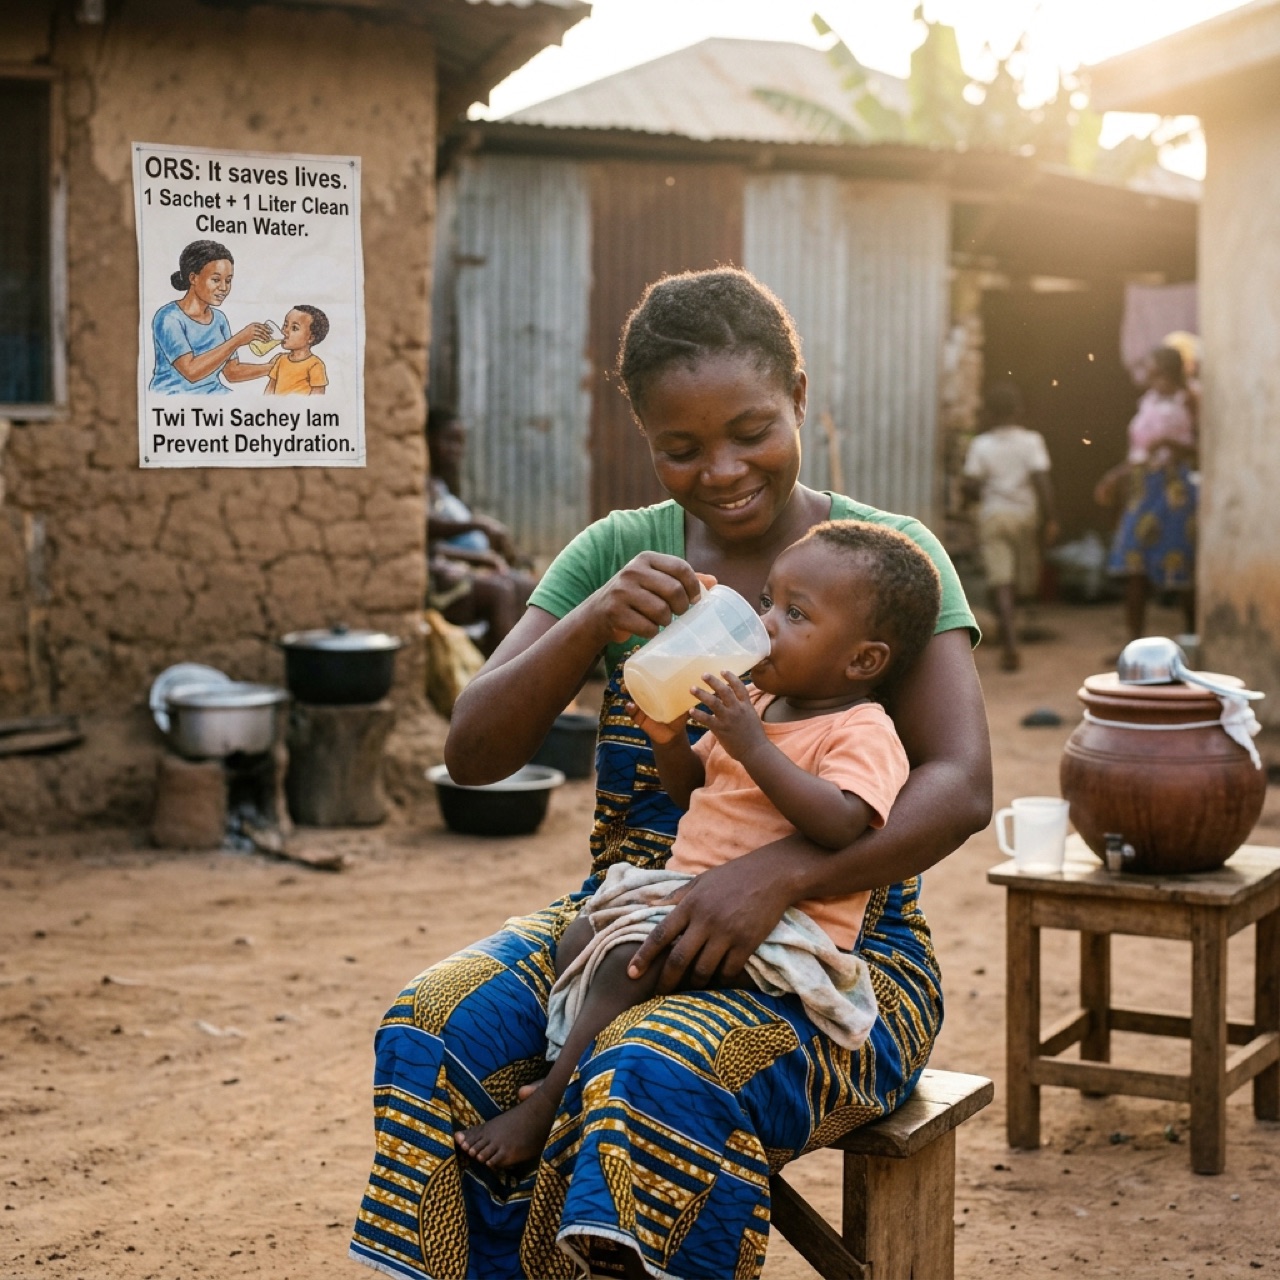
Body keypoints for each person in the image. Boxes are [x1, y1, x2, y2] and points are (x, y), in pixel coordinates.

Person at [351, 267, 992, 1280]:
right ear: (646, 441)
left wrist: (775, 875)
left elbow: (959, 785)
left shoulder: (882, 561)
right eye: (680, 449)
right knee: (434, 1020)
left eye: (751, 429)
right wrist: (595, 619)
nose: (723, 469)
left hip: (839, 952)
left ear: (799, 399)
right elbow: (471, 752)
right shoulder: (621, 550)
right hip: (625, 910)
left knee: (652, 1066)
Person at [454, 517, 942, 1170]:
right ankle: (583, 1065)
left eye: (794, 614)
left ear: (862, 659)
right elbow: (691, 795)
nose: (764, 622)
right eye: (768, 600)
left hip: (791, 933)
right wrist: (666, 739)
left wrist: (753, 746)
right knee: (582, 938)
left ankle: (548, 1106)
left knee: (630, 956)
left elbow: (841, 823)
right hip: (690, 896)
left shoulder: (863, 730)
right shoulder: (759, 702)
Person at [1094, 344, 1198, 642]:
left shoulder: (1188, 399)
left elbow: (1204, 447)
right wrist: (1115, 477)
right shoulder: (1147, 401)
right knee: (1134, 568)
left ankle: (1191, 642)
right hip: (1142, 488)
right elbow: (1139, 453)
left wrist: (1168, 443)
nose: (1146, 370)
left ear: (1165, 367)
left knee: (1181, 567)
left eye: (1151, 363)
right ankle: (1133, 646)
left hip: (1175, 489)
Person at [961, 381, 1059, 672]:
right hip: (1025, 517)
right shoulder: (1031, 441)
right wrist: (1052, 518)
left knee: (1000, 580)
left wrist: (972, 497)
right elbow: (1042, 480)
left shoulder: (981, 445)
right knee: (1018, 580)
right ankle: (1012, 638)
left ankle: (1010, 641)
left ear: (989, 413)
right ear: (1019, 411)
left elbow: (970, 484)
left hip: (993, 516)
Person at [425, 406, 536, 655]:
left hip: (456, 568)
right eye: (448, 440)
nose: (455, 450)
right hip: (434, 579)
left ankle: (527, 665)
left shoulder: (440, 485)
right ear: (426, 439)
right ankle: (499, 677)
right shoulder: (418, 484)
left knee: (529, 589)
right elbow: (423, 534)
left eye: (459, 443)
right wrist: (480, 527)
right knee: (500, 593)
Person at [148, 240, 270, 394]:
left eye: (228, 280)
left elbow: (232, 372)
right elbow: (191, 372)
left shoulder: (219, 319)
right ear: (193, 278)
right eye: (216, 280)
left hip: (214, 394)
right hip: (173, 399)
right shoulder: (169, 318)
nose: (224, 288)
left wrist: (273, 367)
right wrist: (238, 340)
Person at [263, 304, 329, 395]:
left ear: (310, 338)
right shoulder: (280, 359)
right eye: (285, 325)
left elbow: (317, 397)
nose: (284, 331)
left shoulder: (315, 364)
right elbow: (270, 389)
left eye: (294, 328)